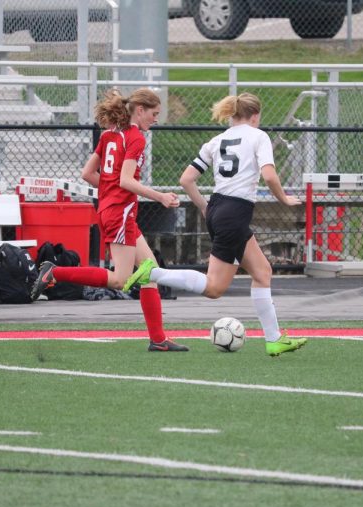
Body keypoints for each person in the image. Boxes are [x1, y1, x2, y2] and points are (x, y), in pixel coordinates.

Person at [122, 92, 308, 357]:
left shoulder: (217, 140)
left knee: (262, 272)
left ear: (233, 114)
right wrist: (284, 199)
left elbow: (187, 179)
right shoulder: (259, 136)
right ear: (255, 116)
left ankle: (274, 339)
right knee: (214, 288)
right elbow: (269, 174)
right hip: (235, 212)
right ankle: (154, 274)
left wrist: (204, 206)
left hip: (219, 209)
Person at [30, 88, 188, 352]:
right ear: (140, 110)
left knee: (149, 271)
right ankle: (53, 271)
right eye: (154, 114)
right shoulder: (135, 137)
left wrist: (111, 189)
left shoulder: (111, 134)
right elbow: (126, 181)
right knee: (119, 280)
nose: (156, 119)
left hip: (112, 209)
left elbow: (87, 173)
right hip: (120, 212)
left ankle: (158, 339)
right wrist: (159, 196)